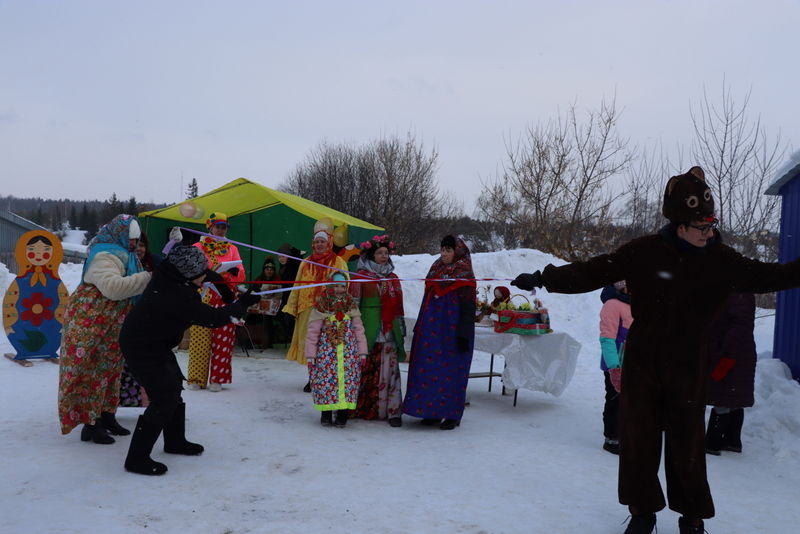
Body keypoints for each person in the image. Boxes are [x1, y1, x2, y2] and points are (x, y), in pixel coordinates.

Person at [510, 166, 800, 534]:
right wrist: (544, 278)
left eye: (712, 225)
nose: (710, 232)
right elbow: (592, 271)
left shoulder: (721, 260)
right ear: (680, 224)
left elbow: (772, 275)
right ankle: (642, 512)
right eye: (702, 226)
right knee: (638, 440)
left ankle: (692, 518)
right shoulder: (644, 252)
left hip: (689, 364)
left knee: (687, 445)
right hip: (644, 360)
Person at [120, 245, 259, 475]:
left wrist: (226, 290)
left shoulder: (173, 270)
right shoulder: (176, 295)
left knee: (174, 384)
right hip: (141, 346)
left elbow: (205, 273)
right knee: (164, 397)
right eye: (200, 274)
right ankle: (136, 458)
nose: (205, 276)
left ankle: (175, 442)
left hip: (154, 341)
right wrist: (240, 305)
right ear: (187, 275)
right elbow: (213, 318)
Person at [58, 214, 151, 444]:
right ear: (120, 235)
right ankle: (91, 424)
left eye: (136, 240)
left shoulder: (125, 256)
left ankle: (107, 416)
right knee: (92, 372)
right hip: (90, 325)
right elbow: (113, 288)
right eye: (131, 239)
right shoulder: (104, 255)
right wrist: (148, 277)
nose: (134, 244)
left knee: (111, 371)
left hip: (109, 324)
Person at [403, 235, 476, 430]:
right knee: (428, 368)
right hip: (431, 329)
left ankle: (452, 414)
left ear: (457, 251)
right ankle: (430, 411)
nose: (444, 254)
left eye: (448, 250)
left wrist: (464, 333)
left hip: (452, 330)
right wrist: (420, 325)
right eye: (442, 250)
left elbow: (469, 307)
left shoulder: (465, 273)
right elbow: (426, 300)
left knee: (451, 371)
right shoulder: (435, 269)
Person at [283, 223, 348, 391]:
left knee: (327, 346)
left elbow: (345, 285)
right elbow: (297, 285)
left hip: (329, 312)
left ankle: (327, 378)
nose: (319, 244)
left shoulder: (338, 262)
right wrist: (290, 309)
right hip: (307, 310)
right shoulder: (305, 263)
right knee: (311, 345)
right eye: (317, 241)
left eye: (322, 241)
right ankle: (312, 378)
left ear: (329, 243)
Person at [349, 234, 406, 427]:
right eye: (380, 253)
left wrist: (402, 329)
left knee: (390, 369)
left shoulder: (393, 278)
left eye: (386, 253)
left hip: (390, 330)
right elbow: (353, 306)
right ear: (371, 255)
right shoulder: (360, 278)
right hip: (367, 328)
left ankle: (392, 411)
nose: (383, 256)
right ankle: (358, 407)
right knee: (364, 368)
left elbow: (399, 306)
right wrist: (352, 330)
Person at [186, 212, 245, 392]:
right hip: (203, 296)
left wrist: (233, 273)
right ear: (209, 227)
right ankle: (196, 377)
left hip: (225, 296)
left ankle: (217, 378)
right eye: (217, 226)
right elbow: (190, 270)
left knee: (224, 338)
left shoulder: (232, 248)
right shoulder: (197, 246)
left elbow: (241, 273)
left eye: (223, 227)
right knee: (199, 337)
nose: (220, 230)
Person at [304, 272, 368, 427]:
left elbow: (359, 330)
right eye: (336, 285)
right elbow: (313, 331)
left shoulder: (350, 304)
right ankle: (325, 414)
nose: (339, 289)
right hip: (326, 354)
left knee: (347, 383)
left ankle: (342, 414)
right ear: (330, 285)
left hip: (348, 354)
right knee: (326, 383)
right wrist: (311, 355)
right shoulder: (322, 304)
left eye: (342, 286)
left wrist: (362, 352)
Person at [705, 292, 756, 456]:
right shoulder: (738, 294)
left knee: (723, 397)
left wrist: (725, 356)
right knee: (733, 399)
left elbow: (737, 331)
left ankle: (713, 442)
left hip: (731, 356)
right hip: (735, 355)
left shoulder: (738, 295)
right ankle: (732, 440)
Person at [598, 280, 632, 455]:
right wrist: (614, 367)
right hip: (616, 363)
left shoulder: (635, 304)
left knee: (630, 401)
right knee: (615, 400)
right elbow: (607, 338)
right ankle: (612, 437)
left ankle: (626, 434)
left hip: (634, 363)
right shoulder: (612, 304)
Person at [243, 256, 283, 349]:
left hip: (273, 310)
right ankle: (249, 342)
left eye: (271, 269)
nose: (269, 271)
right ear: (264, 270)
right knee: (249, 319)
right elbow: (252, 291)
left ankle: (267, 343)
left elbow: (280, 294)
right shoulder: (259, 279)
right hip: (258, 309)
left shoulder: (277, 279)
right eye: (267, 269)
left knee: (267, 320)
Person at [276, 243, 302, 343]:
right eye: (279, 257)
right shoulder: (284, 267)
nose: (281, 259)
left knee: (288, 319)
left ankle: (294, 341)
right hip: (287, 298)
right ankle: (292, 340)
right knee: (282, 317)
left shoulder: (293, 267)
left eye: (283, 256)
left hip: (294, 299)